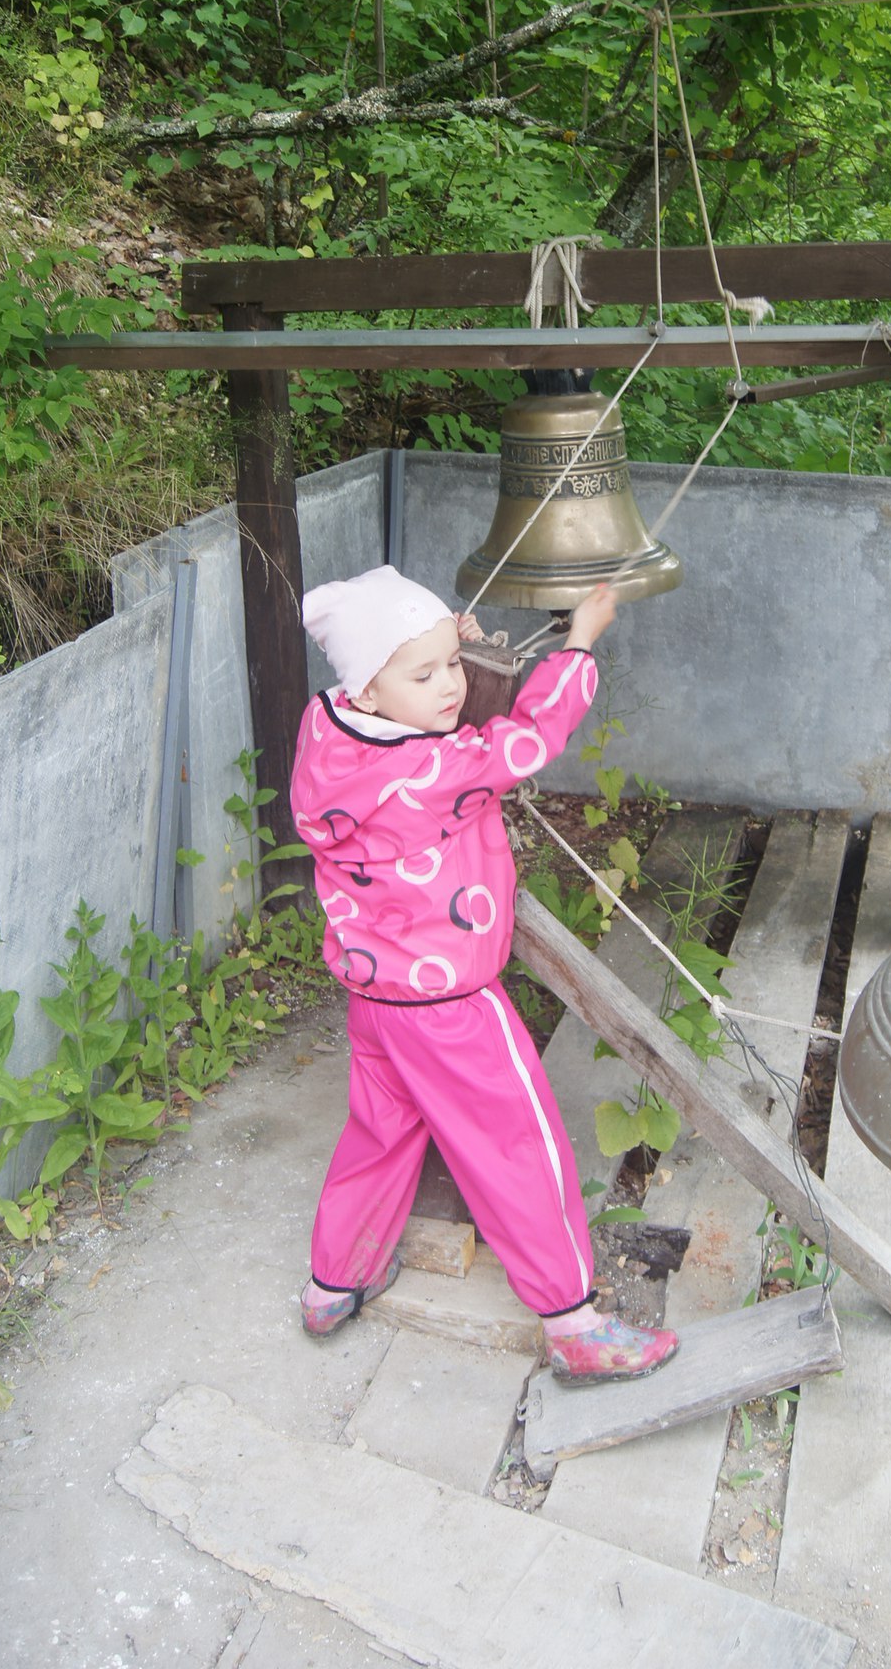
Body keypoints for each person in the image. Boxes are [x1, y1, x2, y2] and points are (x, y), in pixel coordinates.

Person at [291, 563, 680, 1385]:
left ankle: (335, 1282)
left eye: (452, 665)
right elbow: (528, 737)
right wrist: (577, 642)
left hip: (374, 995)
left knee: (379, 1135)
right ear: (367, 688)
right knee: (518, 1143)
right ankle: (572, 1321)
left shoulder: (328, 732)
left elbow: (406, 688)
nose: (450, 686)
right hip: (450, 1002)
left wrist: (430, 646)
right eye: (424, 673)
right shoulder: (432, 772)